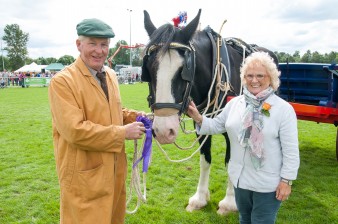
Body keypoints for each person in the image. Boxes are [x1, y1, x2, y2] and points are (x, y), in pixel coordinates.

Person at [48, 18, 146, 224]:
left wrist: (137, 117)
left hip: (114, 173)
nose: (99, 50)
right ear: (78, 45)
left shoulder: (109, 74)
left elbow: (113, 112)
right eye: (92, 43)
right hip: (84, 180)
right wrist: (122, 133)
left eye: (104, 44)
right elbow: (75, 131)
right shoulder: (62, 82)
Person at [187, 51, 300, 224]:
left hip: (267, 184)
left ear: (271, 78)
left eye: (260, 75)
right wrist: (198, 117)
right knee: (244, 220)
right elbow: (217, 125)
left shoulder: (283, 110)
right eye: (250, 75)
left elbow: (291, 151)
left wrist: (286, 181)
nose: (254, 80)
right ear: (244, 78)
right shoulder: (235, 104)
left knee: (261, 221)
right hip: (240, 180)